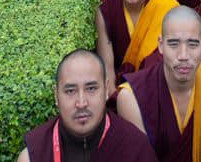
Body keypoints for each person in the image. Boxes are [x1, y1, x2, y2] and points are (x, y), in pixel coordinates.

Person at [116, 6, 201, 161]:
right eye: (174, 44)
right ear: (161, 45)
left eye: (192, 44)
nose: (183, 56)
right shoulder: (131, 97)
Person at [16, 49, 157, 162]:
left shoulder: (136, 148)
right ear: (56, 96)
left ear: (106, 90)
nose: (81, 103)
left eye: (91, 89)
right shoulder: (34, 155)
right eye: (70, 91)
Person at [96, 0, 177, 94]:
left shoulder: (167, 7)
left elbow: (173, 64)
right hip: (122, 91)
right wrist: (115, 98)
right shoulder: (105, 7)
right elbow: (107, 67)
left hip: (160, 89)